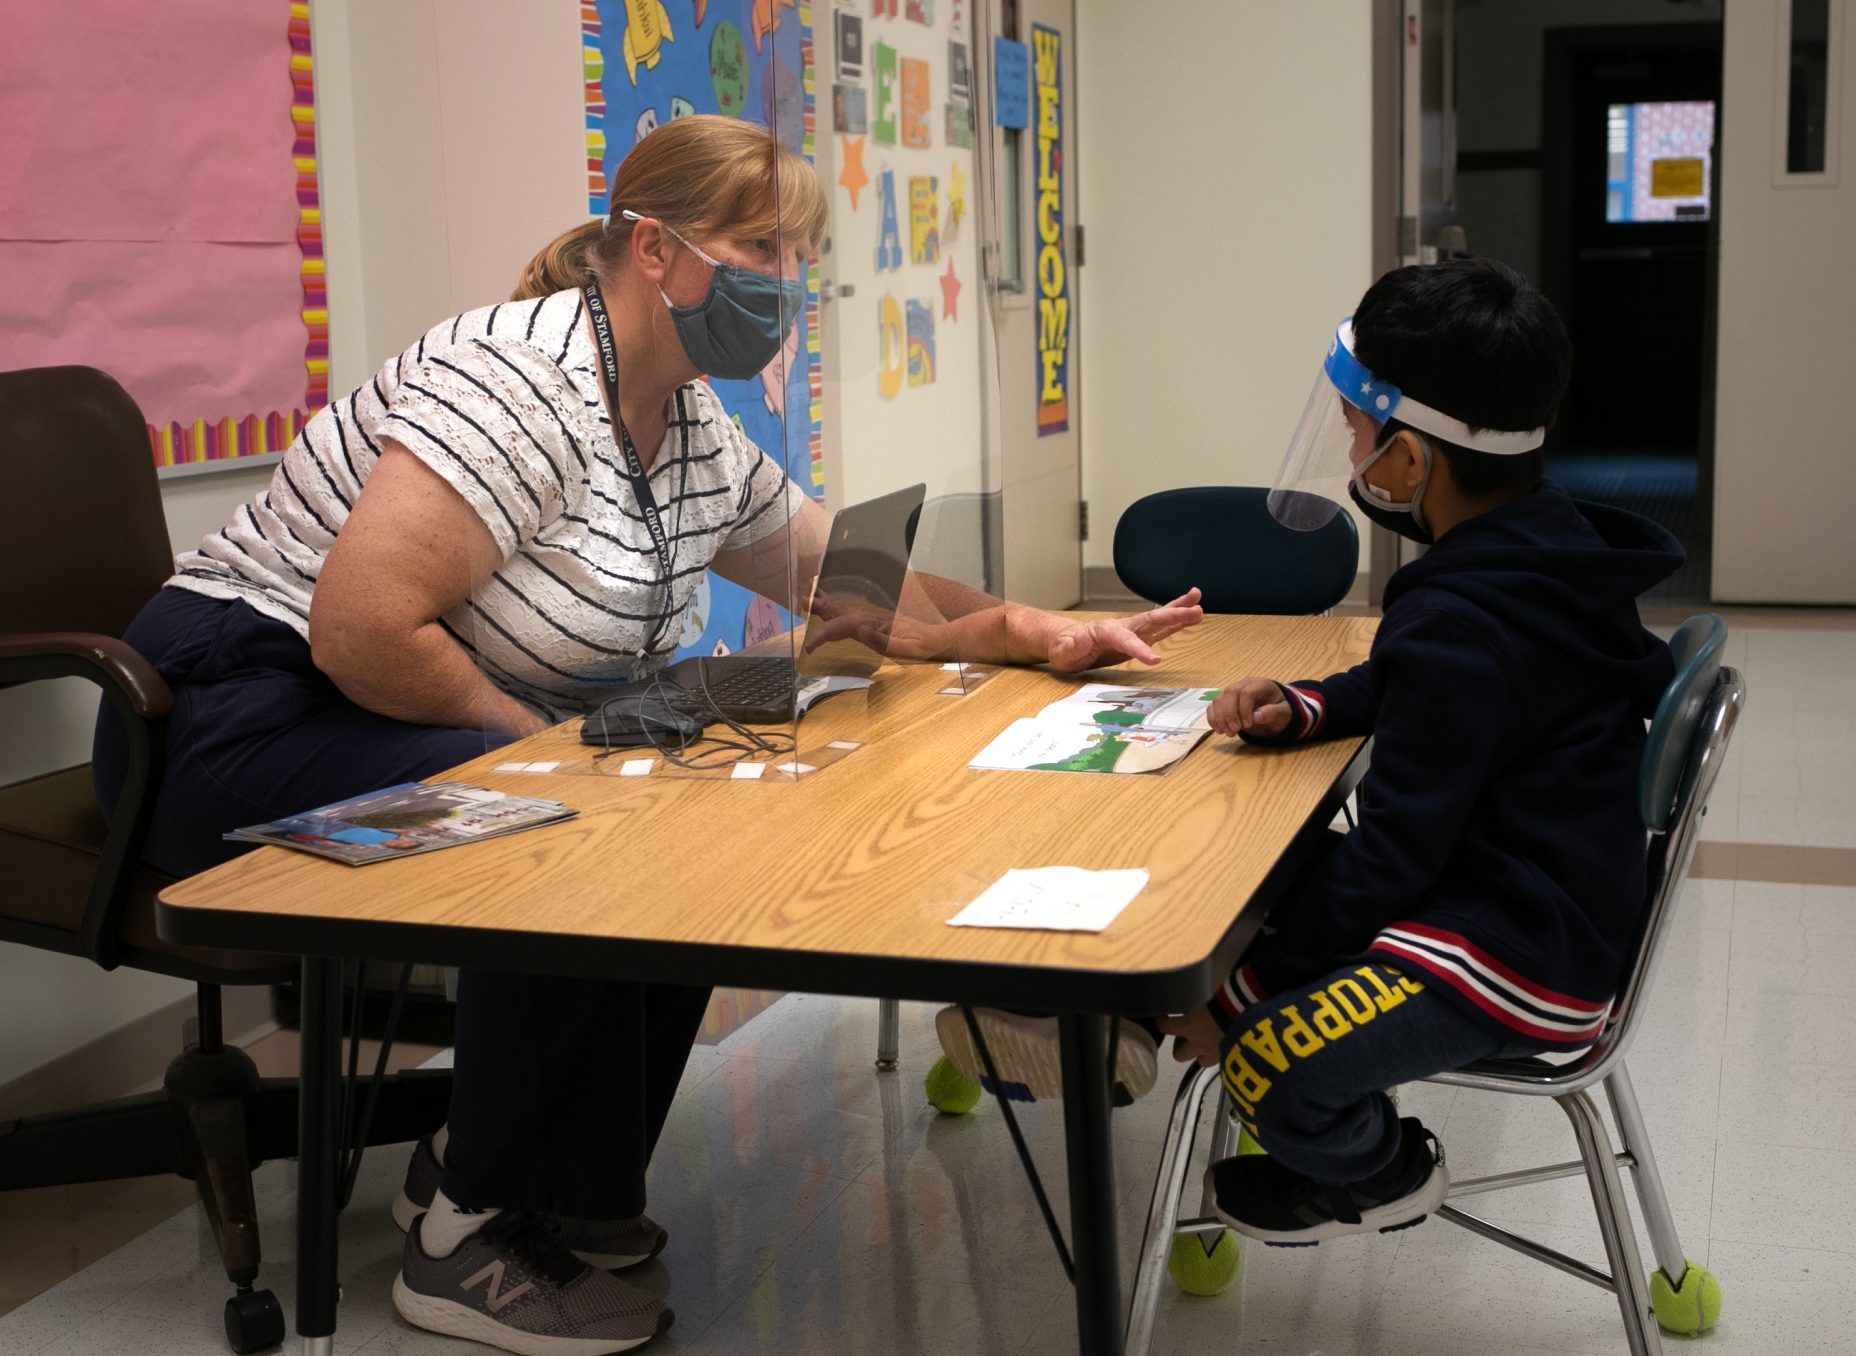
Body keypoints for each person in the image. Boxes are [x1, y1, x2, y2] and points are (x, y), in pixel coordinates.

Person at [91, 114, 1201, 1353]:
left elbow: (850, 572)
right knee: (567, 810)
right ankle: (463, 1233)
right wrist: (539, 751)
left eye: (800, 256)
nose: (782, 284)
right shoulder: (514, 378)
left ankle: (554, 1182)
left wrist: (1025, 629)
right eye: (757, 245)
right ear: (655, 249)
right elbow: (361, 630)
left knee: (677, 783)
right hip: (232, 711)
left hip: (379, 708)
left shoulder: (682, 420)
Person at [935, 257, 1683, 1247]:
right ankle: (1121, 1009)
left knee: (1265, 1065)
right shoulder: (1530, 552)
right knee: (1243, 875)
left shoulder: (1464, 614)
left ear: (1409, 463)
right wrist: (1305, 705)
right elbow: (1421, 690)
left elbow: (1392, 858)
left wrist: (1247, 1000)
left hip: (1511, 951)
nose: (1348, 451)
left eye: (1355, 432)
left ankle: (1381, 1170)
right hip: (1522, 891)